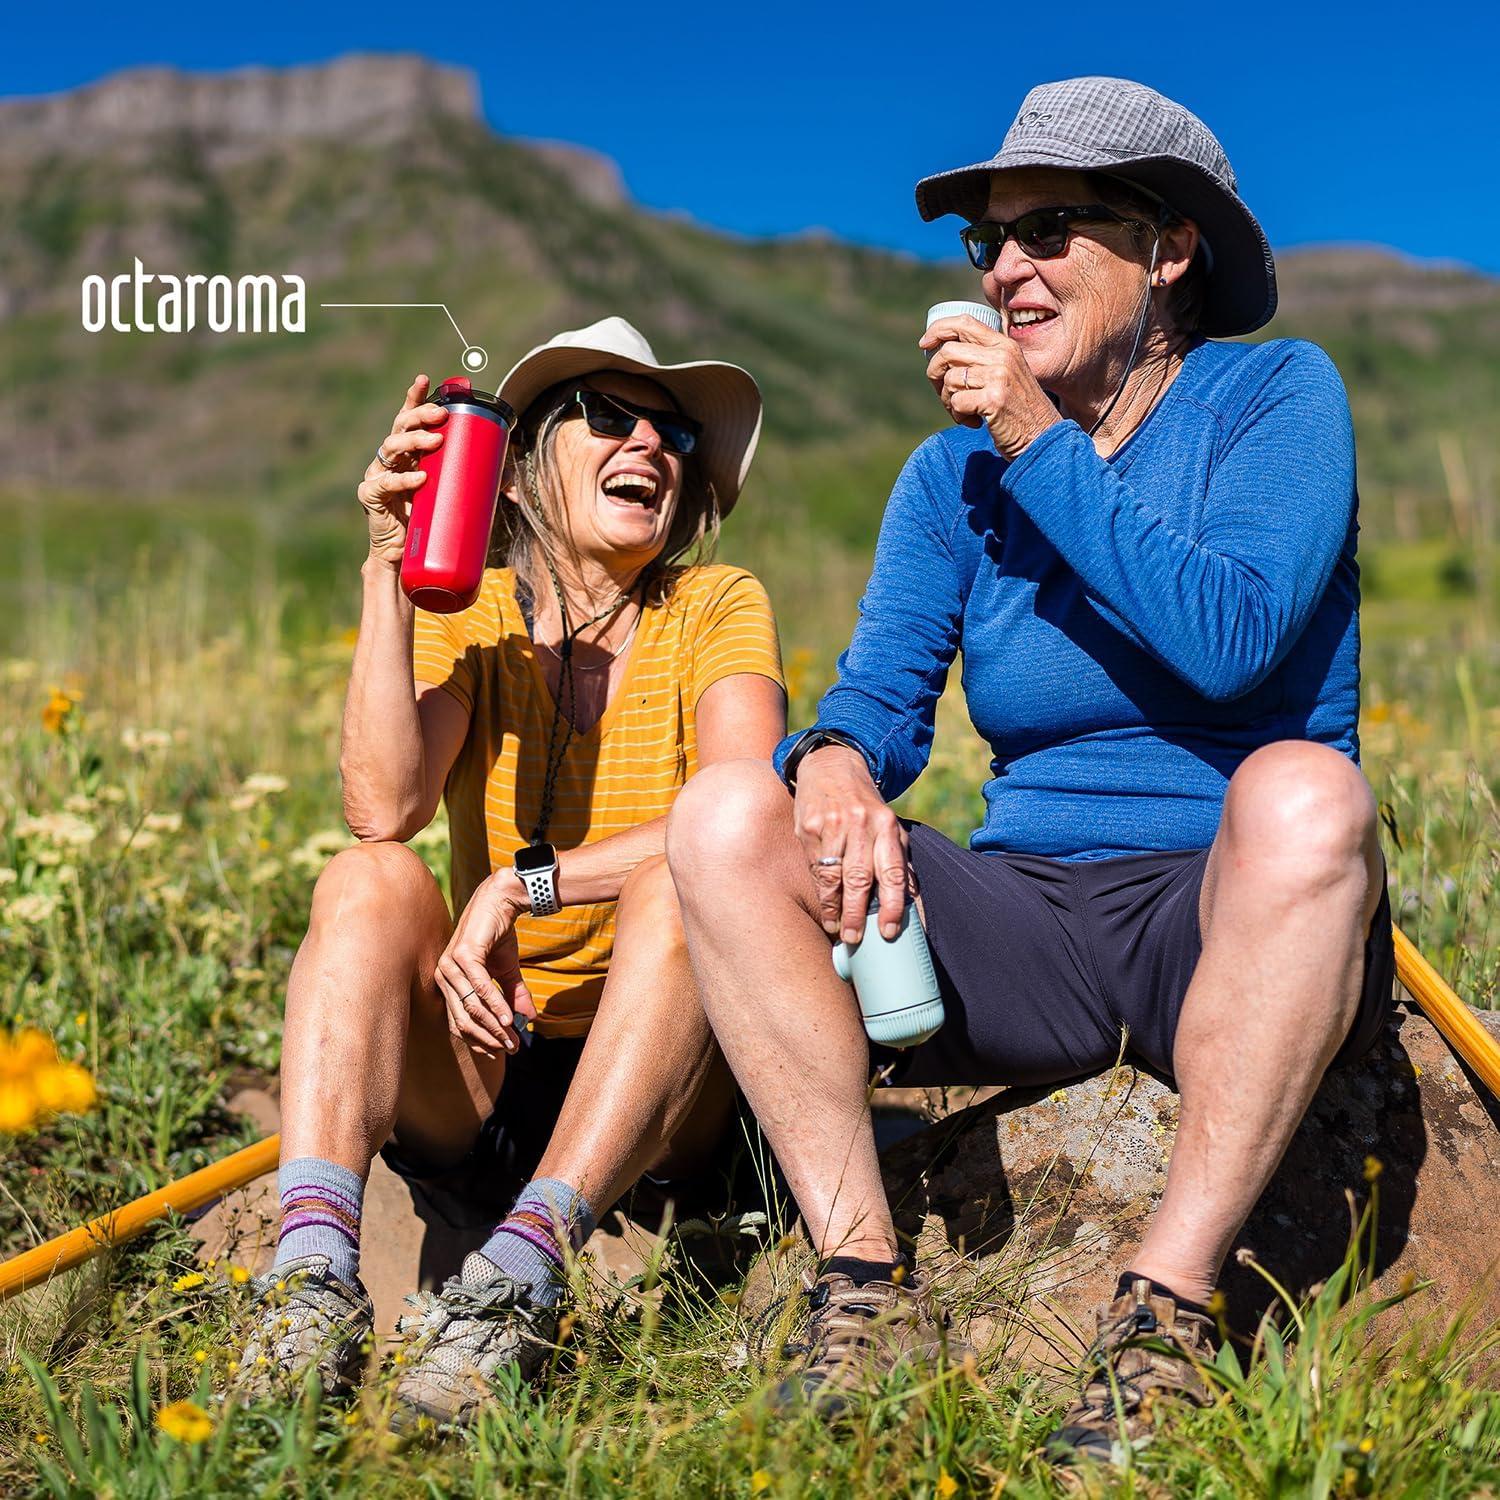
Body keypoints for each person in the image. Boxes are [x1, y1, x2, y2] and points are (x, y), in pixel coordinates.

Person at [666, 77, 1394, 1468]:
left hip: (1226, 918)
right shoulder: (950, 483)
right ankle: (859, 1281)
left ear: (1170, 248)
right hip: (1031, 919)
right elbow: (882, 698)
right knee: (723, 814)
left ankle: (1163, 1316)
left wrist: (1035, 443)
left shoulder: (1276, 399)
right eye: (987, 241)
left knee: (1310, 796)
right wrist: (826, 764)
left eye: (1053, 227)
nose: (1006, 267)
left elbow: (1233, 643)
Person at [234, 317, 786, 1432]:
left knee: (684, 882)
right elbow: (381, 807)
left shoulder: (717, 606)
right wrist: (389, 570)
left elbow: (744, 809)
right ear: (524, 464)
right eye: (611, 416)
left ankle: (518, 1282)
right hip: (482, 1067)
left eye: (674, 430)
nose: (653, 443)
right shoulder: (475, 615)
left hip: (664, 1092)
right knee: (366, 880)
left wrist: (523, 886)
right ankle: (310, 1285)